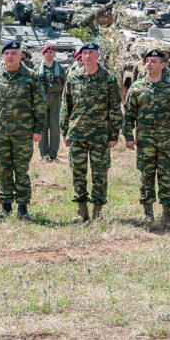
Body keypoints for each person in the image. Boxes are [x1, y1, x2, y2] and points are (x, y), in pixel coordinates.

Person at [122, 48, 170, 228]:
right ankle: (147, 213)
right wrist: (128, 136)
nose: (148, 64)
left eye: (153, 61)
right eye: (147, 61)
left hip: (167, 141)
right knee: (146, 176)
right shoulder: (137, 87)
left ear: (163, 64)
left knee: (166, 176)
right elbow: (129, 114)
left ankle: (167, 215)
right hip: (145, 142)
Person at [0, 39, 45, 220]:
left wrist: (38, 129)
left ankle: (23, 208)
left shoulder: (31, 76)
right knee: (4, 170)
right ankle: (6, 207)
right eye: (7, 53)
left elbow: (39, 105)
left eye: (13, 54)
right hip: (0, 132)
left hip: (23, 133)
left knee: (21, 170)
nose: (10, 56)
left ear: (20, 56)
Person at [60, 41, 121, 221]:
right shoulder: (73, 77)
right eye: (84, 53)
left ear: (98, 56)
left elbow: (115, 108)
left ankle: (97, 211)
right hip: (77, 133)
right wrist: (65, 131)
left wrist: (114, 133)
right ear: (81, 56)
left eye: (91, 53)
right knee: (78, 172)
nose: (88, 56)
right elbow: (66, 105)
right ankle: (81, 211)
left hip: (100, 135)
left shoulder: (108, 79)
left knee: (99, 172)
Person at [38, 45, 67, 162]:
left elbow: (65, 85)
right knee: (42, 127)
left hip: (56, 100)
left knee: (55, 128)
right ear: (43, 54)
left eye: (51, 52)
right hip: (41, 100)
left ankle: (53, 153)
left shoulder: (60, 68)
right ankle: (44, 154)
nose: (49, 54)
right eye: (47, 52)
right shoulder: (37, 68)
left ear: (55, 54)